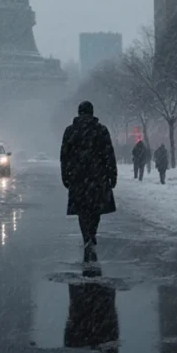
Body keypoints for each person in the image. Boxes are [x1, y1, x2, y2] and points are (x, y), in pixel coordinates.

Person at [61, 101, 118, 263]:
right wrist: (112, 175)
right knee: (95, 209)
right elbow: (109, 155)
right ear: (92, 112)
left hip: (78, 178)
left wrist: (66, 176)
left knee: (82, 210)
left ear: (79, 112)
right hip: (97, 177)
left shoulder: (70, 131)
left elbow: (64, 157)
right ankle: (92, 233)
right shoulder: (101, 130)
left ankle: (86, 235)